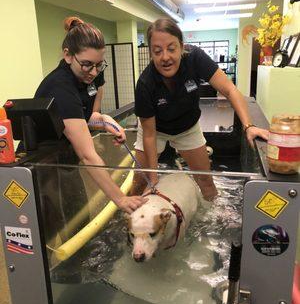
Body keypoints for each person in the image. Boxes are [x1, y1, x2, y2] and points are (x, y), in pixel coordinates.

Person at [132, 18, 269, 200]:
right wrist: (153, 179)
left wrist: (248, 126)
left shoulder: (195, 58)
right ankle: (129, 218)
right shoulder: (144, 84)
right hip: (155, 130)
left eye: (171, 49)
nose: (165, 57)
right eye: (157, 51)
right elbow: (149, 135)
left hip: (187, 128)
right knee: (139, 183)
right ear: (151, 53)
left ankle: (215, 220)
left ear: (182, 47)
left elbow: (230, 90)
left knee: (206, 181)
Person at [35, 16, 147, 214]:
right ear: (68, 55)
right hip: (42, 166)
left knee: (78, 211)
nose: (94, 72)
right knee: (55, 225)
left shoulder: (84, 77)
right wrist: (121, 199)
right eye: (87, 65)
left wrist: (106, 121)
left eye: (99, 65)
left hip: (66, 159)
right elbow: (88, 156)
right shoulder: (61, 88)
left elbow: (83, 119)